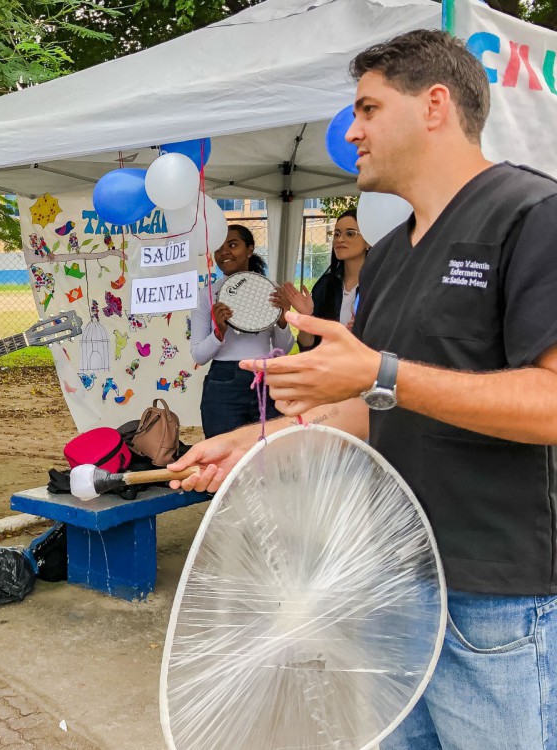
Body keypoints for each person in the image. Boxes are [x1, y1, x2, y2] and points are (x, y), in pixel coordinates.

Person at [169, 30, 557, 750]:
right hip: (388, 573)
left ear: (434, 105)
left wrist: (381, 372)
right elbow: (375, 407)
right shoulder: (388, 260)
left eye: (368, 109)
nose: (351, 132)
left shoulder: (531, 215)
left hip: (493, 599)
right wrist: (255, 443)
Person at [190, 224, 294, 437]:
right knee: (224, 451)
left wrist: (283, 317)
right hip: (223, 382)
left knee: (269, 449)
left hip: (265, 378)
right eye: (219, 248)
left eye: (233, 245)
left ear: (250, 249)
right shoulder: (206, 295)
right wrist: (218, 333)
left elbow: (283, 349)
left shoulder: (270, 290)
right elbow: (199, 356)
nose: (224, 252)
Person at [280, 208, 370, 350]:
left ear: (368, 241)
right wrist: (306, 316)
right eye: (336, 234)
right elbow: (307, 347)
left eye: (350, 233)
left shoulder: (380, 286)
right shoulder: (325, 285)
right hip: (328, 362)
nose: (340, 239)